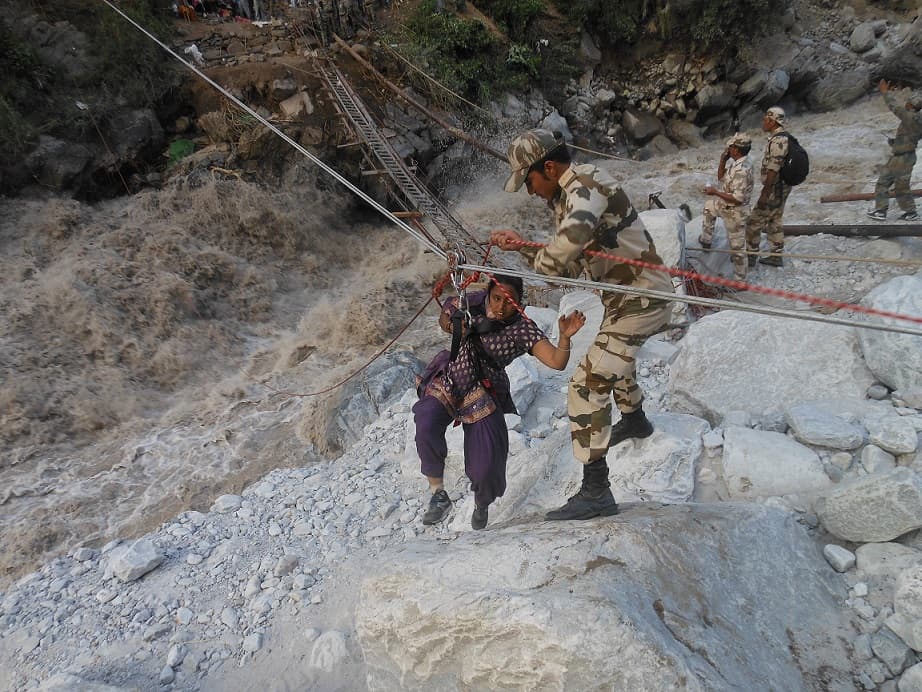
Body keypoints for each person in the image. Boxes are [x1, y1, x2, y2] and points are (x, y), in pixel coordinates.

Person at [490, 129, 674, 521]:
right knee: (613, 361)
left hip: (643, 300)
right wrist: (523, 247)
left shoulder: (587, 187)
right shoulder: (567, 196)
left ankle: (596, 491)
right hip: (624, 298)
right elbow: (568, 267)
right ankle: (636, 420)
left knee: (586, 386)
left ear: (550, 167)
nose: (530, 191)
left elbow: (561, 256)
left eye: (530, 181)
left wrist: (536, 256)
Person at [414, 274, 586, 530]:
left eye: (509, 302)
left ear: (518, 303)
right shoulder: (471, 302)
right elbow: (445, 318)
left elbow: (556, 361)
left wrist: (564, 337)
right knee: (426, 418)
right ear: (488, 293)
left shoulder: (522, 329)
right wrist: (456, 324)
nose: (500, 306)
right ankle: (438, 494)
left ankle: (481, 503)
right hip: (452, 375)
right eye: (496, 298)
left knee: (488, 463)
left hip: (484, 387)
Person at [698, 133, 755, 282]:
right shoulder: (737, 163)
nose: (727, 149)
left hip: (735, 212)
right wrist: (723, 160)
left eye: (730, 147)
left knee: (737, 249)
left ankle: (740, 281)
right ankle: (706, 240)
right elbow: (721, 177)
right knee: (709, 206)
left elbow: (737, 199)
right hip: (725, 205)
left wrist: (715, 191)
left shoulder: (742, 169)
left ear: (736, 150)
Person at [867, 80, 922, 222]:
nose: (905, 104)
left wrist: (885, 92)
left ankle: (905, 212)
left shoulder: (910, 117)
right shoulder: (915, 120)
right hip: (901, 156)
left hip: (903, 158)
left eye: (908, 102)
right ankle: (884, 211)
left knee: (898, 186)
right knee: (886, 182)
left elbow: (894, 106)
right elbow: (910, 137)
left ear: (911, 105)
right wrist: (895, 142)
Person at [746, 106, 791, 268]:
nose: (763, 122)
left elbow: (773, 169)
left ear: (772, 121)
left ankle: (750, 257)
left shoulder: (778, 141)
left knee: (753, 221)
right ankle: (776, 255)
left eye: (766, 119)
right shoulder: (781, 137)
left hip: (774, 188)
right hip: (782, 187)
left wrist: (764, 195)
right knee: (774, 219)